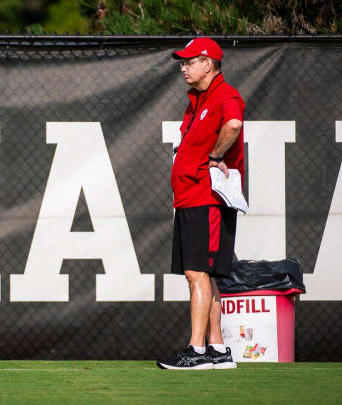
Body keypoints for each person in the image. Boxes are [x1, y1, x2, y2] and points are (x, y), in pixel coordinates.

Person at [157, 37, 244, 370]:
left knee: (196, 273)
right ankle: (218, 350)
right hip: (191, 198)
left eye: (189, 61)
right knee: (203, 275)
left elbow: (234, 124)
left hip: (206, 199)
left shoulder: (225, 94)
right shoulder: (196, 100)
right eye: (183, 62)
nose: (183, 67)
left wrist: (215, 156)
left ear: (208, 63)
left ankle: (196, 351)